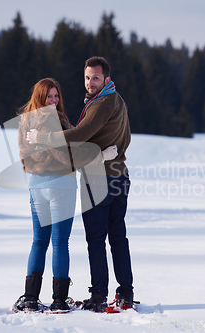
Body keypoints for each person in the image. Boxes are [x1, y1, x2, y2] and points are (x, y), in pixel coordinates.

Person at [27, 57, 135, 312]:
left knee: (96, 239)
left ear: (106, 79)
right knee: (118, 237)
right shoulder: (118, 100)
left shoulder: (102, 103)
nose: (90, 82)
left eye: (95, 77)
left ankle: (99, 296)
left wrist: (44, 138)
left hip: (99, 177)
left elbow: (79, 135)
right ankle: (126, 293)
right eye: (87, 77)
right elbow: (126, 137)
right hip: (120, 175)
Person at [13, 78, 118, 312]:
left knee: (39, 242)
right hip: (61, 186)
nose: (53, 100)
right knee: (59, 242)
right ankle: (59, 300)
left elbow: (24, 156)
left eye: (56, 96)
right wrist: (101, 156)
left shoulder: (26, 121)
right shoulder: (55, 121)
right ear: (39, 97)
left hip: (37, 185)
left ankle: (30, 297)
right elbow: (66, 157)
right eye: (49, 96)